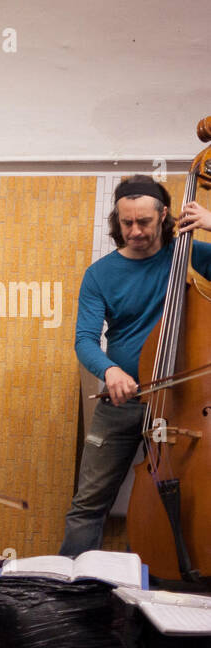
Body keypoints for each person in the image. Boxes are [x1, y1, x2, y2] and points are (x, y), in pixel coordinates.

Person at [59, 176, 211, 556]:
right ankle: (69, 589)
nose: (135, 231)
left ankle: (166, 580)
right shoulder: (100, 274)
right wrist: (110, 370)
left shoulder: (189, 253)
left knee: (180, 496)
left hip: (183, 403)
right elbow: (85, 340)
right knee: (88, 503)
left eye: (144, 221)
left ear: (164, 217)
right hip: (123, 401)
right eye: (127, 222)